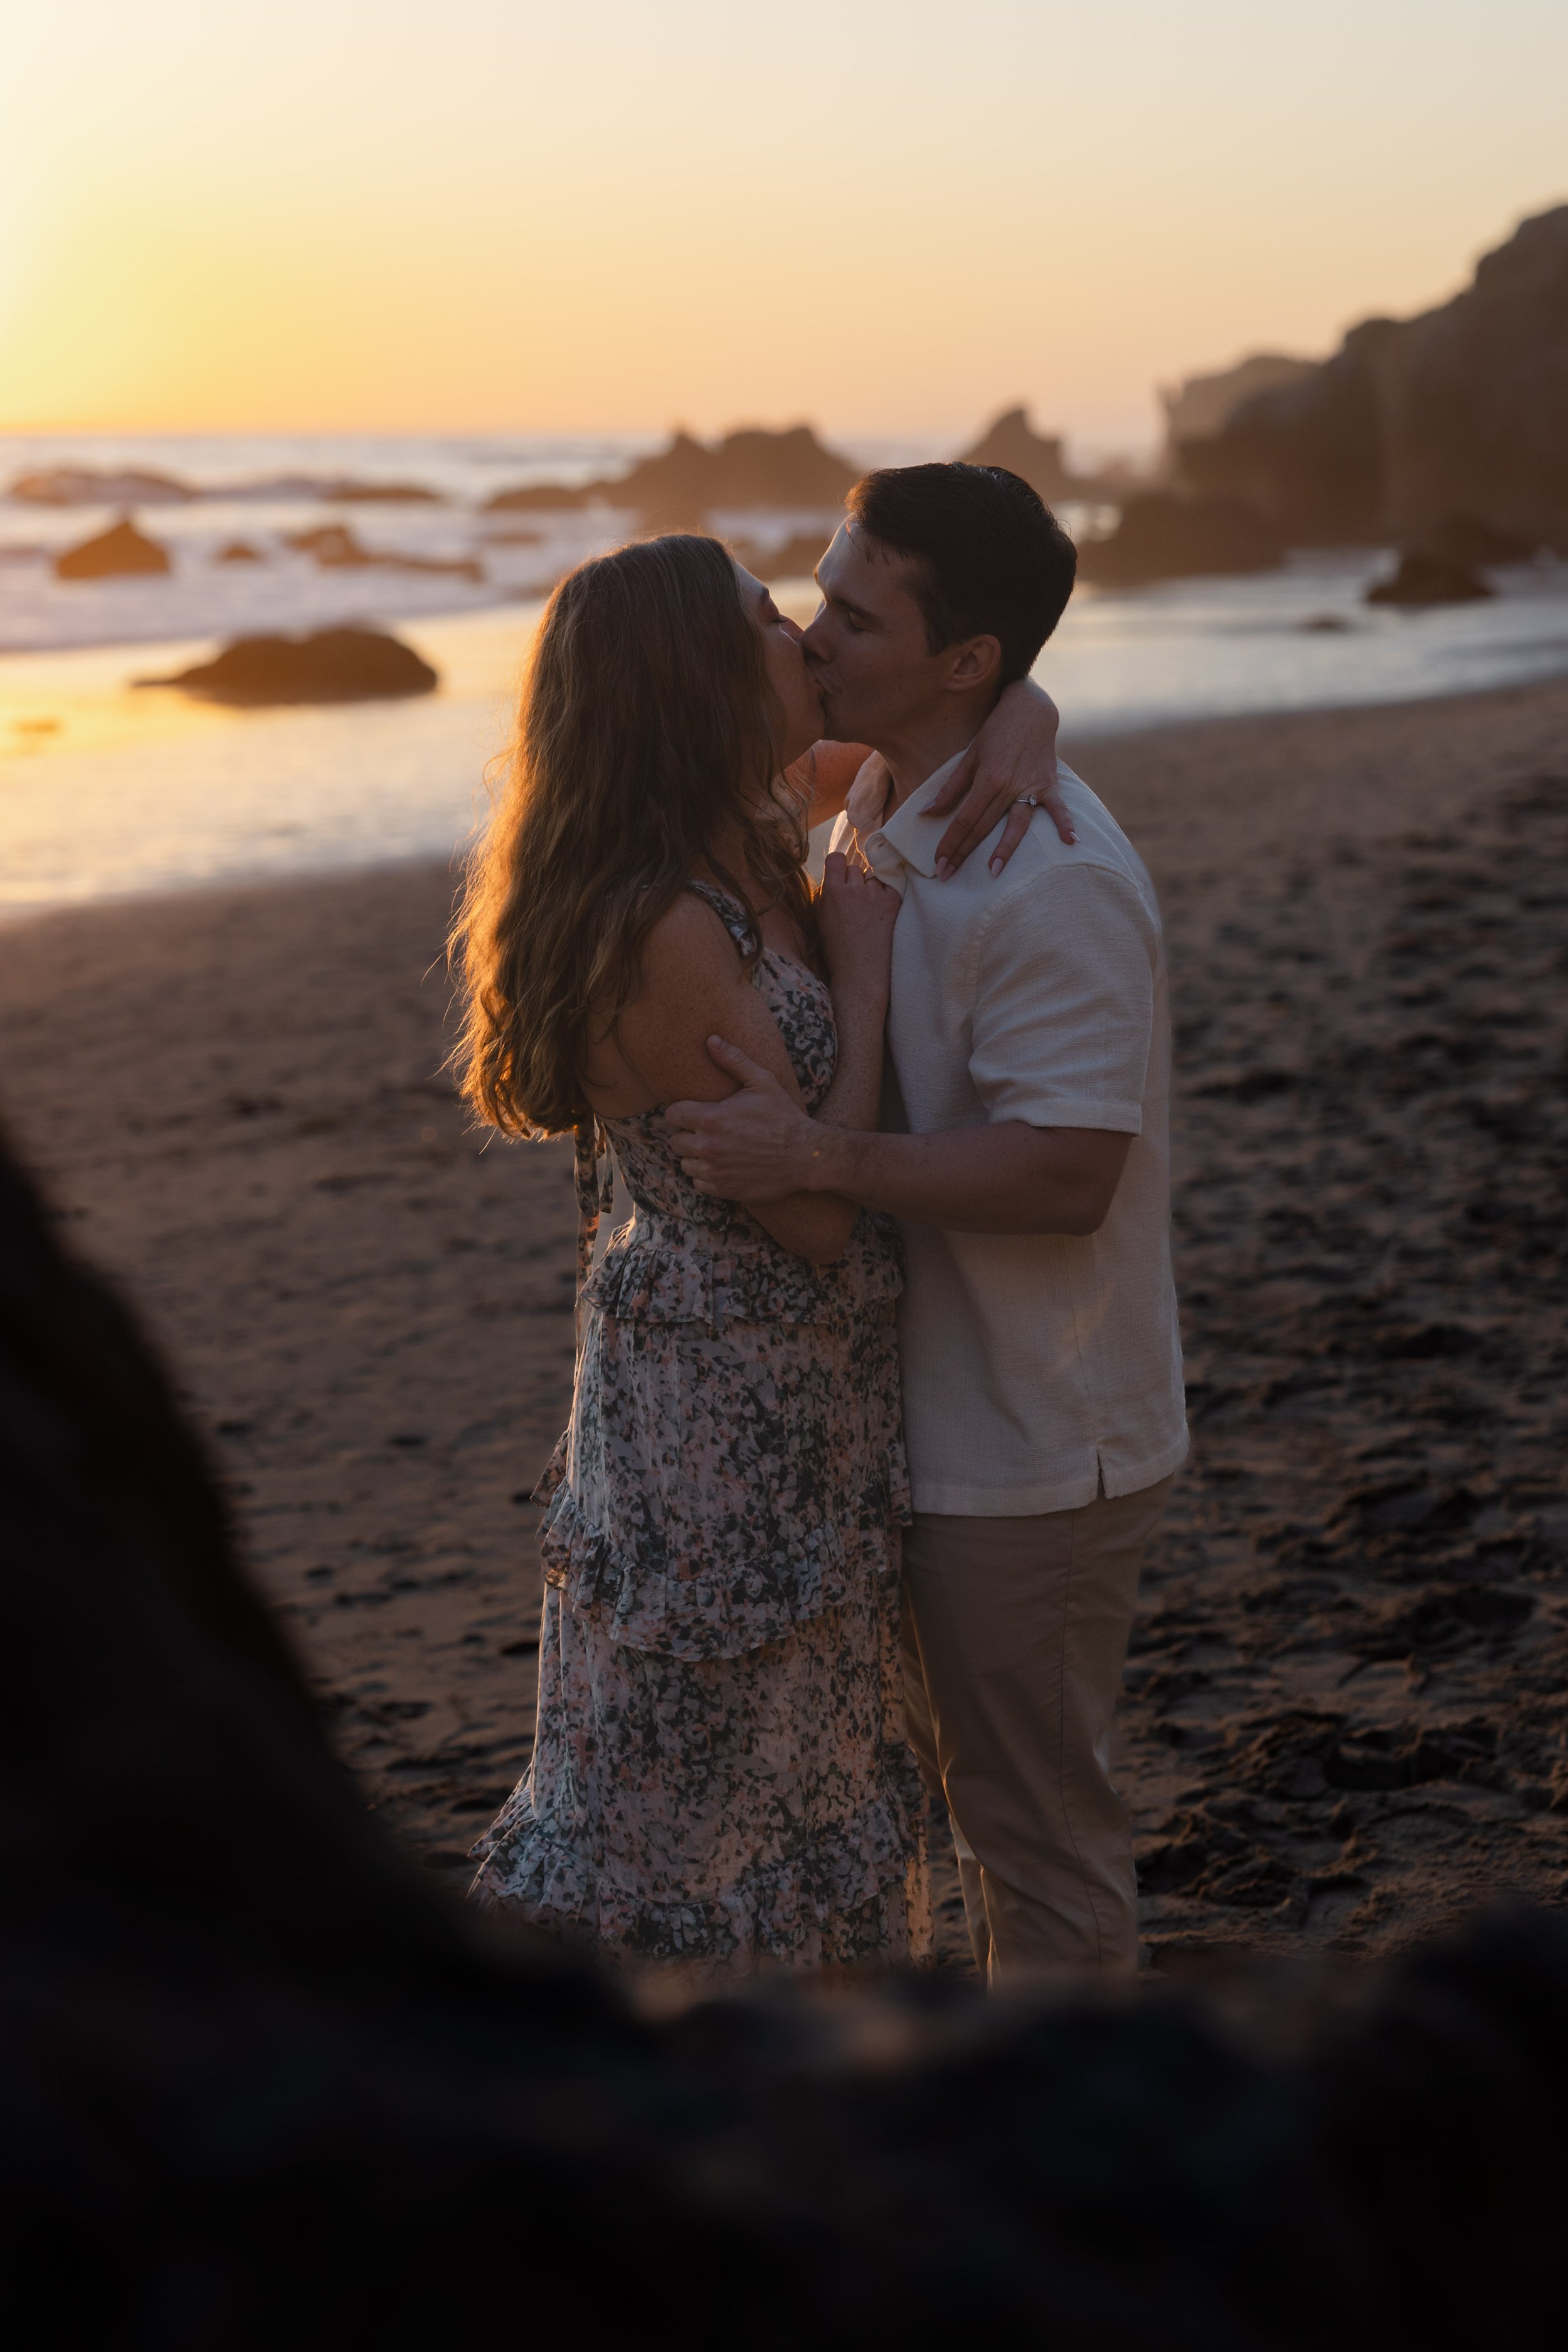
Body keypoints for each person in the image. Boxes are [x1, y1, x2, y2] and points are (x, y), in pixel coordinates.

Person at [450, 529, 1064, 1980]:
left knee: (794, 1780)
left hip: (799, 1394)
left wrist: (1026, 707)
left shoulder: (742, 820)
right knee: (688, 1810)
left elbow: (941, 740)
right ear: (694, 684)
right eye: (766, 621)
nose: (802, 638)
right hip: (716, 1418)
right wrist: (855, 973)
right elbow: (814, 1210)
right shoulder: (660, 924)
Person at [669, 465, 1189, 1981]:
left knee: (1034, 1836)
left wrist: (818, 1157)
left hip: (1036, 1444)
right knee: (979, 1820)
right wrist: (1028, 703)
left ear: (963, 661)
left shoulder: (1056, 881)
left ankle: (1090, 2171)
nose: (813, 632)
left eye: (849, 611)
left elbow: (1063, 1175)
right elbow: (704, 753)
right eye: (817, 593)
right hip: (936, 1422)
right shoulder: (892, 780)